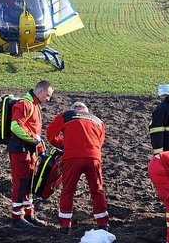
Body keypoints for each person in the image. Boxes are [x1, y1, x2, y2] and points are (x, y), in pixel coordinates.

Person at [47, 101, 109, 233]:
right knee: (97, 190)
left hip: (72, 157)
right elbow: (100, 141)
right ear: (86, 111)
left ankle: (65, 225)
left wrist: (63, 145)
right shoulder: (98, 121)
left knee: (68, 190)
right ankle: (103, 223)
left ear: (74, 109)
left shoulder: (67, 115)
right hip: (93, 157)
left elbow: (51, 133)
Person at [8, 80, 53, 228]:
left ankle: (28, 214)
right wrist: (35, 140)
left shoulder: (34, 105)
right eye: (48, 95)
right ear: (40, 91)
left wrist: (37, 145)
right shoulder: (25, 104)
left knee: (28, 183)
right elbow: (15, 126)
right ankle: (17, 217)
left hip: (28, 150)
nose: (48, 99)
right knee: (21, 183)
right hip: (20, 150)